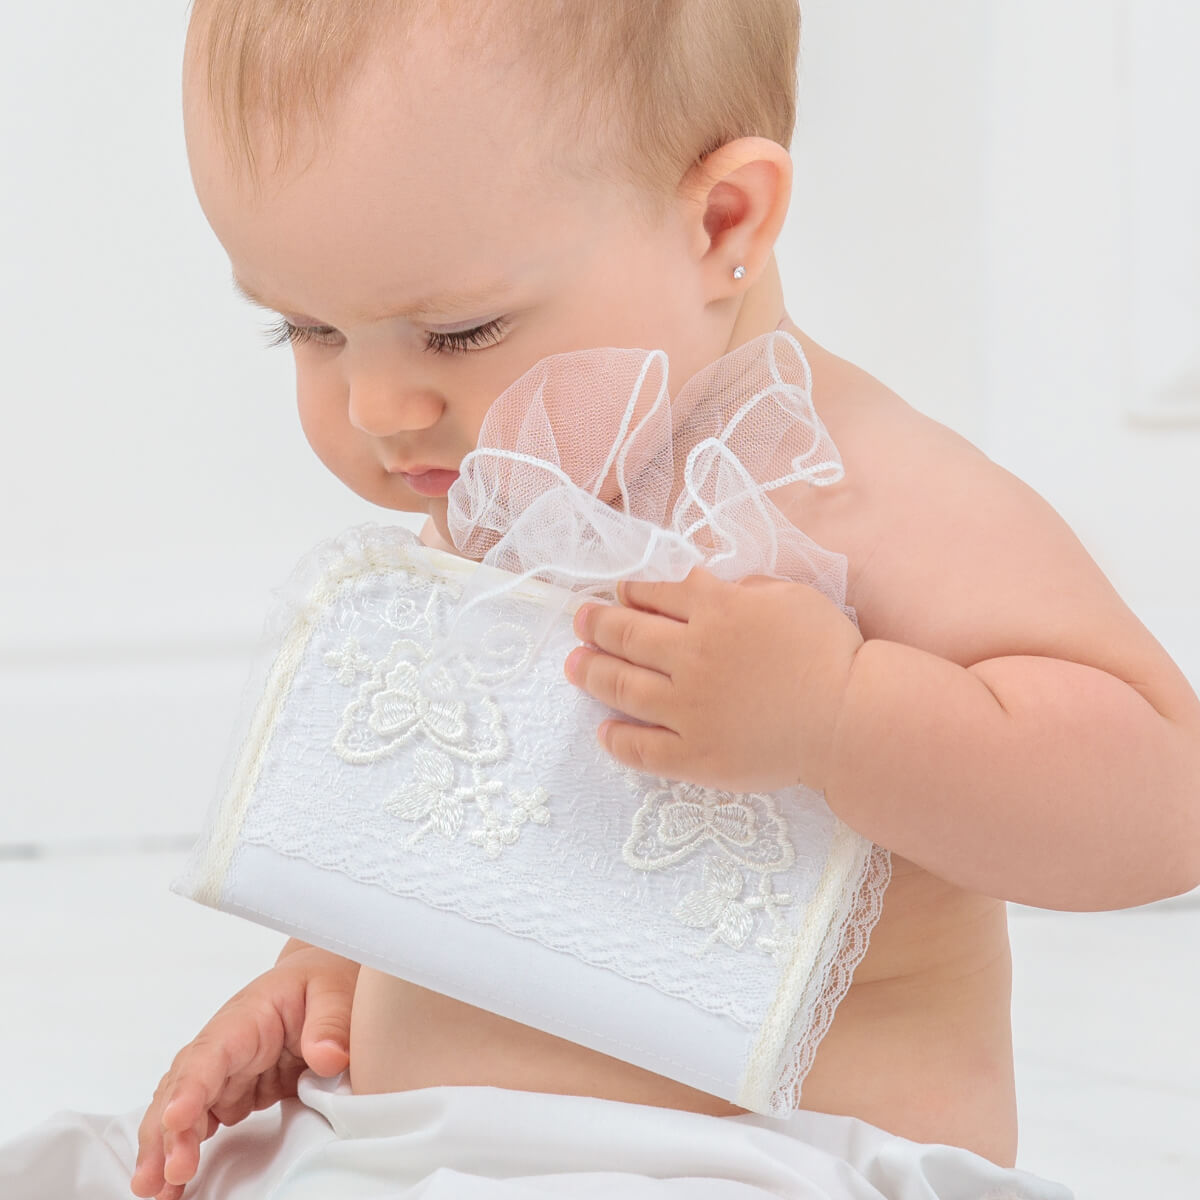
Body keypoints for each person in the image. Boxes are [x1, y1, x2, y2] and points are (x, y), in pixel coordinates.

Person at [5, 1, 1199, 1197]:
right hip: (409, 1147)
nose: (378, 408)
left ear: (723, 220)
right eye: (308, 329)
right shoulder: (498, 500)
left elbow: (1163, 805)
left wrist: (842, 714)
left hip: (759, 1164)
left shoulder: (873, 496)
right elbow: (467, 831)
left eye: (459, 330)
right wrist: (323, 978)